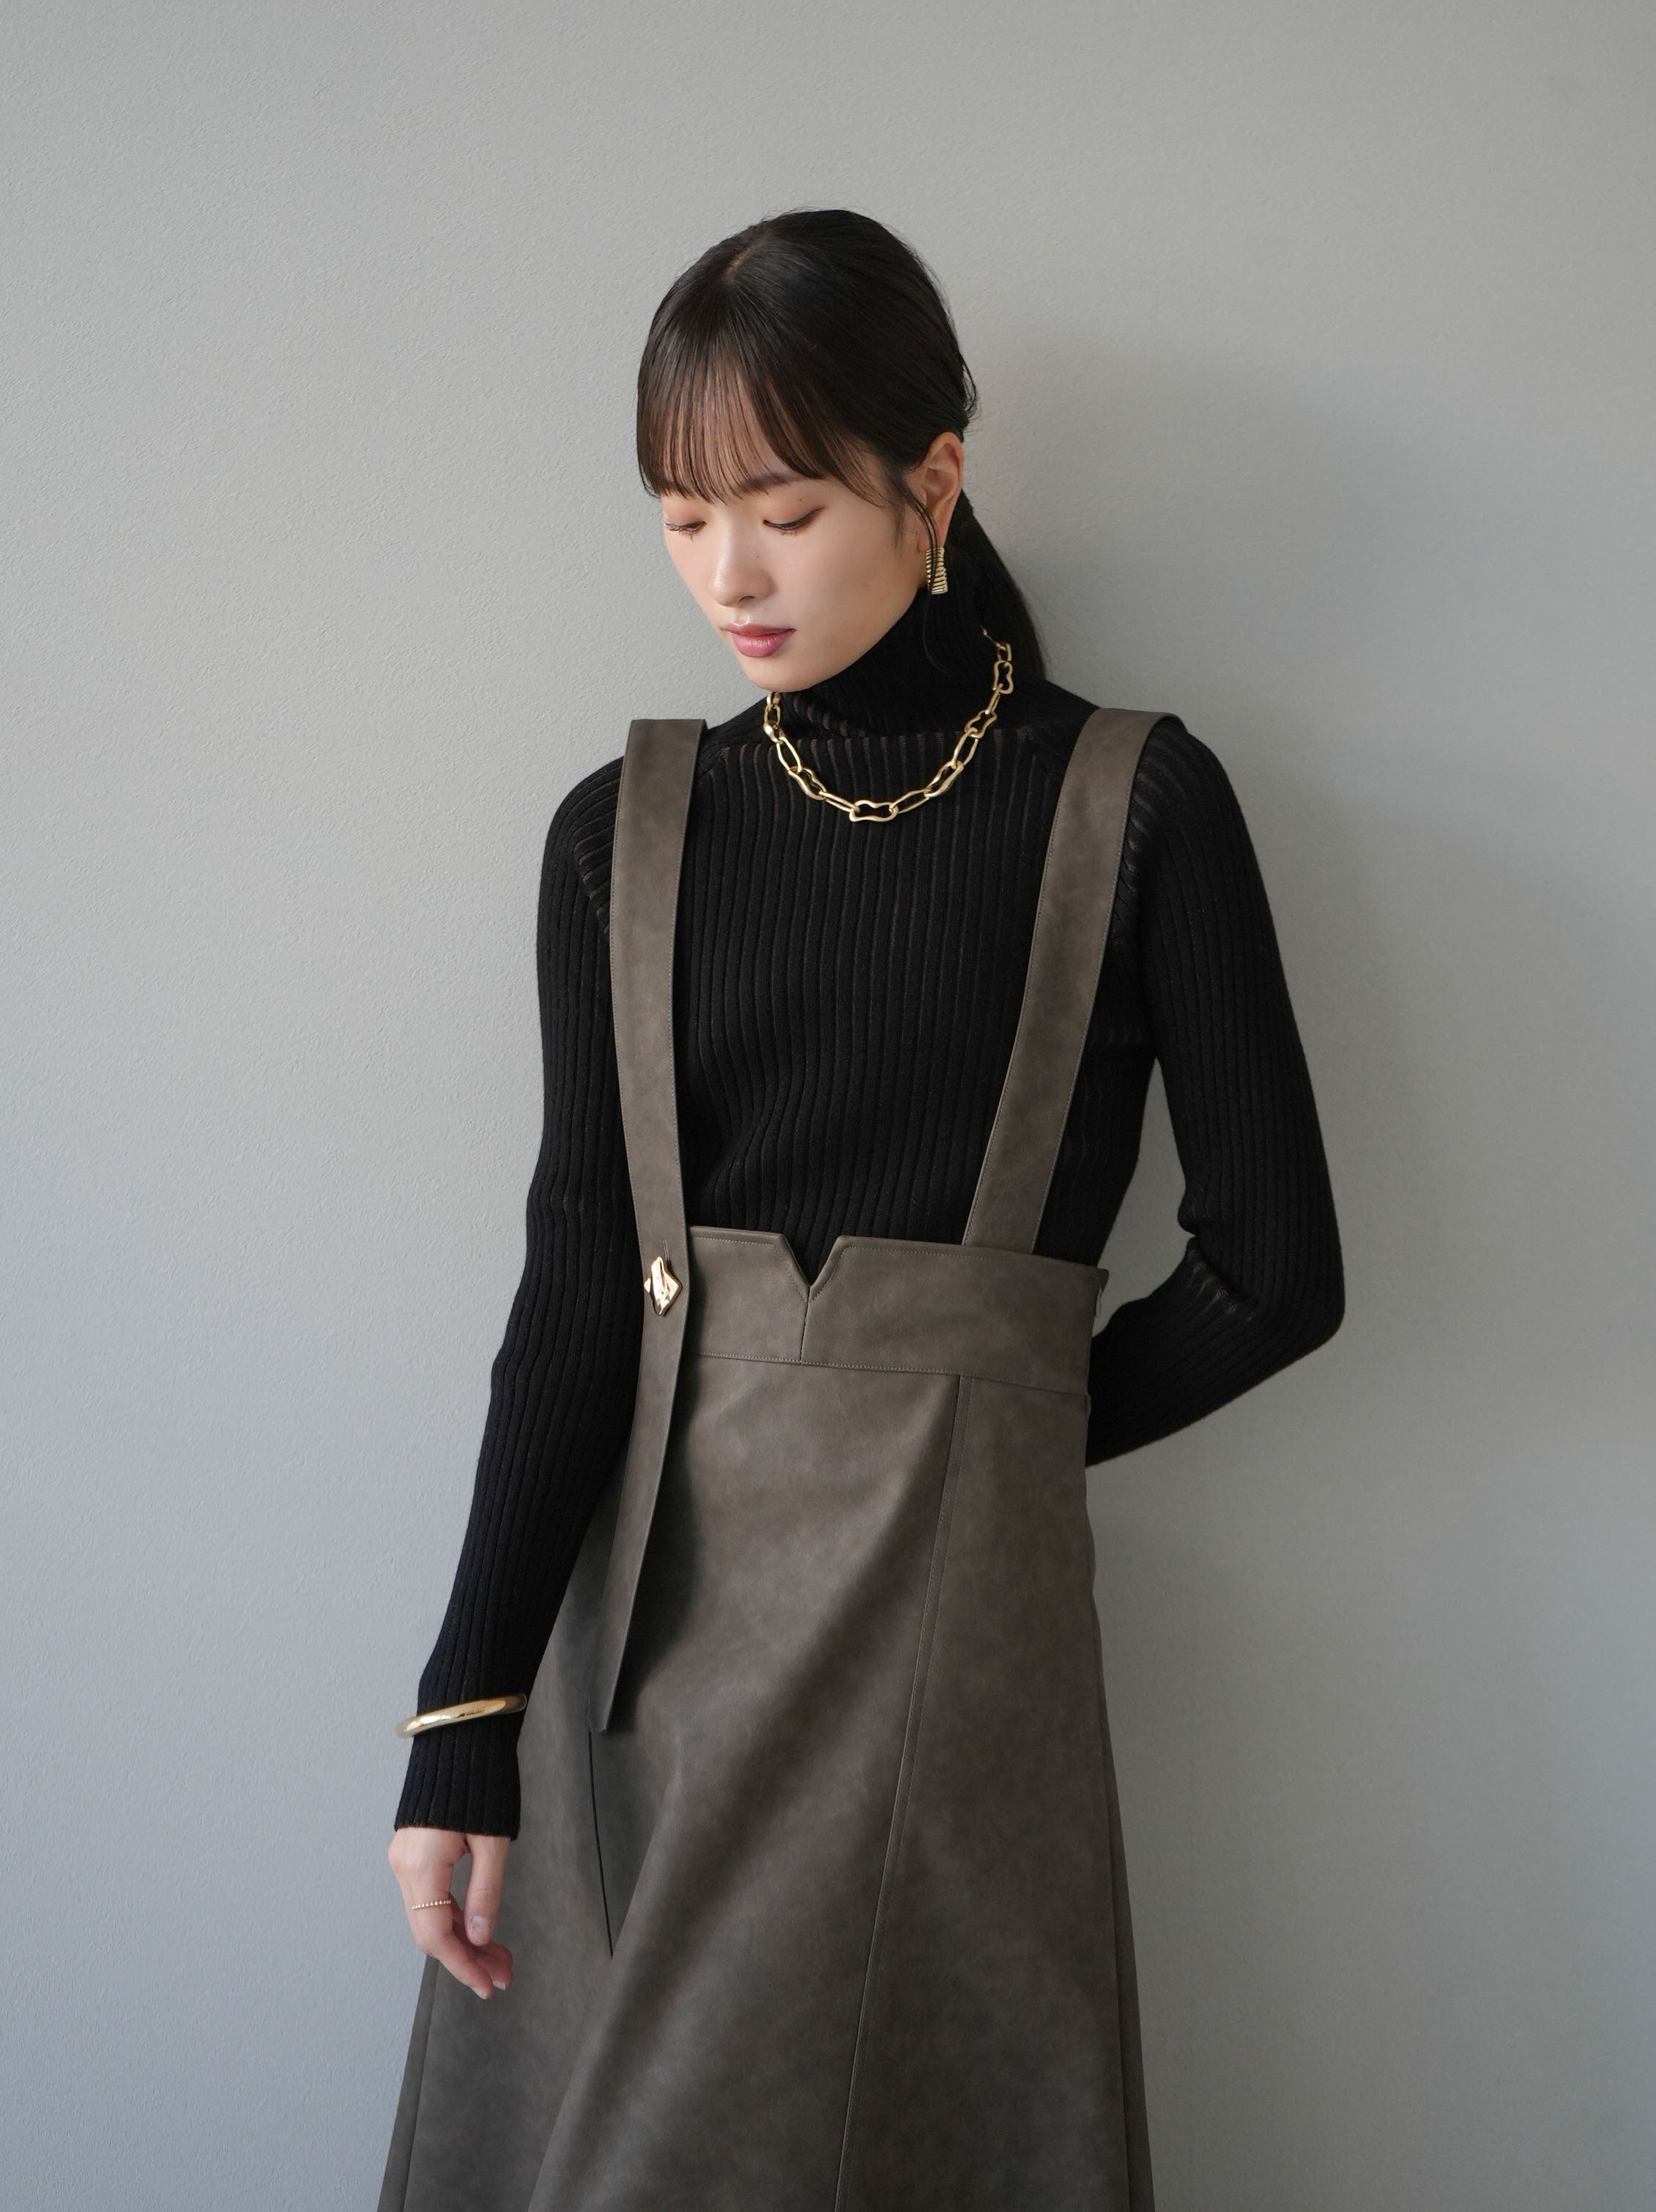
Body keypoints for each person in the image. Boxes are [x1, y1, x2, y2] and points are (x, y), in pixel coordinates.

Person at [379, 207, 1343, 2212]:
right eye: (682, 519)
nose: (729, 577)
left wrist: (974, 1423)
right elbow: (577, 1287)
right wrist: (461, 1721)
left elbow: (1277, 1276)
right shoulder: (620, 833)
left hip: (936, 1634)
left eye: (787, 511)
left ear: (935, 479)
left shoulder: (1137, 804)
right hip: (628, 1656)